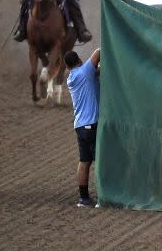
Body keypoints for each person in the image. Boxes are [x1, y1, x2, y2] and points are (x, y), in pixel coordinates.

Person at [65, 48, 101, 208]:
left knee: (84, 161)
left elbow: (95, 73)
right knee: (100, 160)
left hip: (79, 126)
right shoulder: (85, 71)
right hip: (92, 124)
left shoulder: (71, 78)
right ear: (79, 61)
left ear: (67, 67)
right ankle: (102, 198)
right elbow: (99, 51)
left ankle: (84, 199)